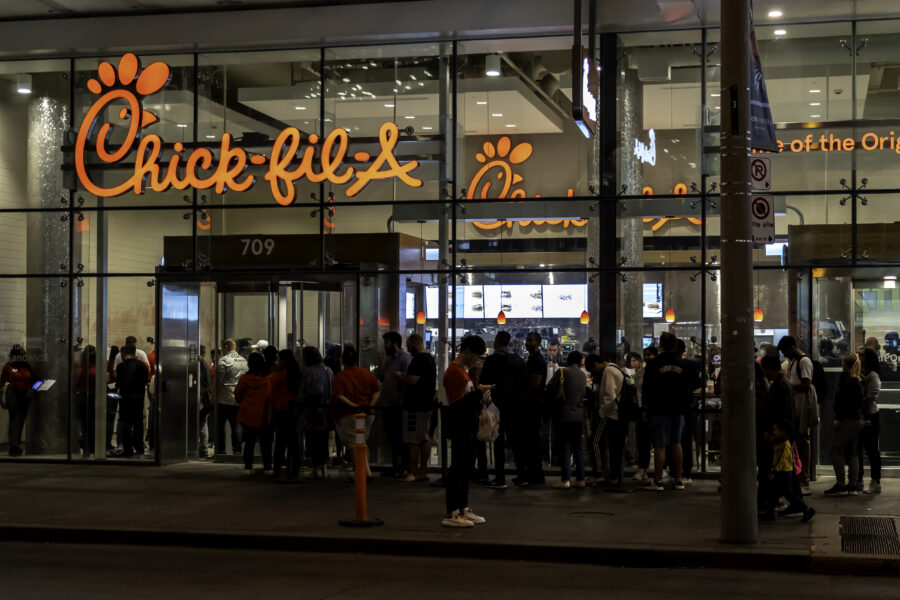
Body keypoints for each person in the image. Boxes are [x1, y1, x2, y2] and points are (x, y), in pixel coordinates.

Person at [441, 335, 488, 528]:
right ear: (467, 351)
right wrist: (477, 394)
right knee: (458, 469)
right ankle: (453, 512)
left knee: (465, 468)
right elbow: (456, 403)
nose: (477, 360)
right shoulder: (454, 372)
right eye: (476, 355)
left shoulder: (463, 371)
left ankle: (462, 508)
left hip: (468, 425)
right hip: (460, 425)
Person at [641, 332, 691, 491]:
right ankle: (678, 480)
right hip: (678, 409)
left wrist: (646, 407)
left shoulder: (654, 363)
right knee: (677, 444)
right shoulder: (682, 363)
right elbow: (689, 386)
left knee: (660, 446)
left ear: (660, 345)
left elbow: (647, 387)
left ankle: (657, 481)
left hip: (659, 408)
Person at [479, 331, 527, 489]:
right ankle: (522, 476)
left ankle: (500, 478)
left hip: (497, 405)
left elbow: (484, 382)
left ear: (498, 341)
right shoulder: (519, 360)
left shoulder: (492, 360)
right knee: (517, 441)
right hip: (516, 405)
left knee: (498, 440)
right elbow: (524, 383)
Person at [331, 345, 380, 479]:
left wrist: (354, 406)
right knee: (362, 442)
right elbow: (377, 390)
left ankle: (363, 473)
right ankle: (364, 471)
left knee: (355, 444)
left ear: (343, 360)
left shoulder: (340, 377)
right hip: (367, 414)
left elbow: (339, 396)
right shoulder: (366, 373)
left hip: (349, 414)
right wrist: (369, 406)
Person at [777, 336, 819, 489]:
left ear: (793, 347)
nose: (785, 354)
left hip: (802, 407)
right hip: (794, 406)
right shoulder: (793, 362)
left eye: (786, 351)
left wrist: (789, 386)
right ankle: (798, 475)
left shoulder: (804, 361)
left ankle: (804, 477)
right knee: (797, 441)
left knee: (803, 442)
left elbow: (806, 384)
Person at [394, 333, 436, 483]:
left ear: (413, 345)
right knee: (424, 438)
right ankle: (423, 471)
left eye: (409, 346)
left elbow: (412, 380)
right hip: (427, 404)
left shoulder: (419, 360)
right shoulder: (430, 358)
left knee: (413, 440)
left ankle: (413, 471)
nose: (408, 349)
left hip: (415, 406)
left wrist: (399, 376)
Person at [758, 354, 794, 514]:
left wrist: (776, 430)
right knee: (775, 473)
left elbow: (781, 410)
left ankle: (774, 505)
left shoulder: (780, 386)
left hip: (778, 434)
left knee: (774, 472)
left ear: (768, 369)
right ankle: (772, 504)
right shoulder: (781, 383)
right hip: (778, 432)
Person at [760, 419, 815, 523]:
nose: (773, 432)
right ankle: (770, 513)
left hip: (783, 473)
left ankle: (806, 509)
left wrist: (773, 471)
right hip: (785, 472)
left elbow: (780, 460)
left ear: (783, 431)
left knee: (788, 494)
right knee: (775, 493)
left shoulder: (783, 445)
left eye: (775, 430)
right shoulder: (781, 442)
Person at [825, 353, 864, 496]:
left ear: (846, 365)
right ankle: (852, 485)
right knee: (851, 452)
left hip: (848, 420)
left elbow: (843, 402)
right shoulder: (857, 380)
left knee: (834, 449)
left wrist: (838, 417)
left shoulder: (848, 380)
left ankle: (841, 483)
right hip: (857, 420)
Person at [550, 351, 587, 489]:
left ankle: (565, 479)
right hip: (578, 415)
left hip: (564, 415)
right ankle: (581, 478)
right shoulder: (583, 375)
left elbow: (551, 388)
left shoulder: (562, 372)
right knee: (577, 446)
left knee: (565, 446)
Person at [377, 331, 412, 478]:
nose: (385, 347)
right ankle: (396, 465)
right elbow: (382, 377)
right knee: (392, 436)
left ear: (395, 343)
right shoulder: (389, 360)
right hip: (387, 403)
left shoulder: (404, 358)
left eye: (386, 343)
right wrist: (381, 363)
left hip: (398, 404)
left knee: (399, 437)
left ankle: (403, 466)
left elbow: (409, 379)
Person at [517, 331, 546, 487]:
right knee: (530, 441)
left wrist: (523, 399)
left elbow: (535, 384)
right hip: (531, 404)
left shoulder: (537, 360)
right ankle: (532, 475)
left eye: (530, 340)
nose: (527, 342)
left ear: (538, 342)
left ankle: (534, 476)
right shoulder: (532, 359)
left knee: (531, 441)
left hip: (532, 405)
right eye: (527, 340)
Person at [235, 353, 273, 475]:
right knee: (265, 444)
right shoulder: (269, 379)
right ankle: (267, 467)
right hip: (264, 414)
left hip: (248, 414)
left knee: (249, 443)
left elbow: (237, 395)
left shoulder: (244, 379)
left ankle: (248, 467)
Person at [299, 346, 333, 479]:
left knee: (313, 441)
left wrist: (301, 402)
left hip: (313, 410)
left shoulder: (309, 372)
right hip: (327, 410)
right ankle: (324, 468)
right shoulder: (328, 370)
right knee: (323, 441)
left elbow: (306, 391)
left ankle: (315, 469)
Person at [269, 349, 302, 480]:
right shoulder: (296, 373)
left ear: (282, 360)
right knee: (294, 443)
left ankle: (277, 470)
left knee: (280, 443)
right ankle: (293, 470)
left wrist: (271, 412)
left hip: (281, 410)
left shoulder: (278, 375)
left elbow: (272, 394)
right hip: (293, 410)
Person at [0, 345, 37, 457]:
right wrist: (1, 400)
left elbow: (36, 381)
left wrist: (32, 390)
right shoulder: (8, 367)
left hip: (25, 394)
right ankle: (14, 446)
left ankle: (16, 445)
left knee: (21, 419)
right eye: (19, 355)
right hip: (13, 393)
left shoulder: (28, 367)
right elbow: (2, 383)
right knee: (14, 418)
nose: (21, 357)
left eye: (22, 355)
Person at [114, 344, 149, 458]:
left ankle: (127, 449)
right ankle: (139, 448)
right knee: (138, 423)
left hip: (125, 399)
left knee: (126, 424)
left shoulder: (120, 367)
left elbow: (118, 384)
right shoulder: (142, 365)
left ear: (124, 354)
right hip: (139, 399)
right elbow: (145, 381)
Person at [215, 338, 248, 456]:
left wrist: (213, 396)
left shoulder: (223, 360)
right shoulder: (244, 360)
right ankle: (237, 450)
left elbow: (219, 381)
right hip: (239, 398)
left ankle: (221, 451)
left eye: (222, 347)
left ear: (226, 346)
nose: (221, 350)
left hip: (224, 398)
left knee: (220, 426)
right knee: (236, 426)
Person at [857, 347, 882, 494]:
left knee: (871, 449)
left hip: (870, 416)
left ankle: (875, 481)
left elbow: (870, 397)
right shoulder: (863, 374)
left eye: (862, 355)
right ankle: (859, 480)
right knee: (860, 448)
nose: (859, 357)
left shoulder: (872, 375)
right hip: (864, 415)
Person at [633, 346, 658, 481]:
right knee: (643, 441)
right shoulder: (640, 372)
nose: (647, 357)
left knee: (657, 442)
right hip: (641, 409)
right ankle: (643, 468)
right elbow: (637, 391)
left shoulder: (659, 372)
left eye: (649, 354)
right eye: (645, 355)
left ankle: (660, 470)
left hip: (655, 410)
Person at [76, 345, 98, 455]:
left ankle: (86, 448)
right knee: (93, 425)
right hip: (93, 398)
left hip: (82, 398)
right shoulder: (95, 370)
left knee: (84, 426)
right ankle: (92, 447)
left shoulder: (80, 370)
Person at [197, 345, 213, 459]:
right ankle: (203, 449)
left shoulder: (201, 364)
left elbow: (206, 383)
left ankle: (203, 449)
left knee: (202, 424)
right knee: (202, 424)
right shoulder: (205, 365)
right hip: (203, 398)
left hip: (201, 398)